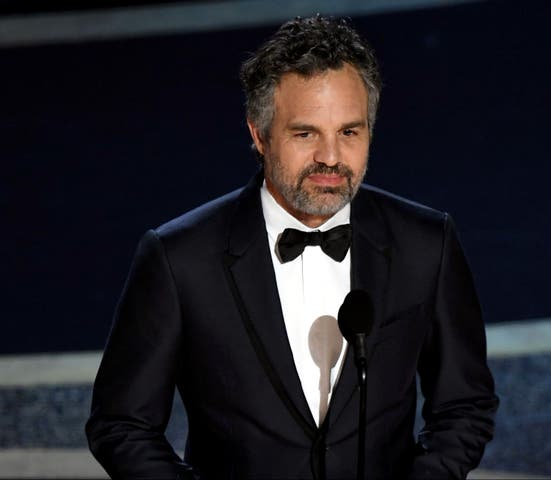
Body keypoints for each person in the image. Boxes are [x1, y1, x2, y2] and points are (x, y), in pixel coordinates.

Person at [86, 15, 498, 480]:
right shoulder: (180, 258)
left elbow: (465, 404)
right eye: (305, 133)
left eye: (349, 132)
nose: (330, 156)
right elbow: (121, 424)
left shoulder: (425, 243)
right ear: (259, 135)